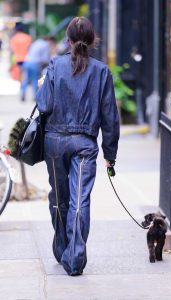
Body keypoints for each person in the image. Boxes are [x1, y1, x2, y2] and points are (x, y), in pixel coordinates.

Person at [36, 16, 120, 276]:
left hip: (54, 142)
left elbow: (44, 105)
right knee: (79, 200)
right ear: (92, 39)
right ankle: (74, 258)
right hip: (85, 144)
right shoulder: (101, 71)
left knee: (59, 199)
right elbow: (109, 116)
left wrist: (41, 86)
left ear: (67, 39)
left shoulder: (54, 65)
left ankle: (63, 248)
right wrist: (110, 153)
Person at [21, 36, 56, 101]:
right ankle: (36, 96)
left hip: (27, 62)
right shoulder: (45, 45)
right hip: (35, 64)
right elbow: (45, 58)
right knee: (35, 79)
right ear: (49, 40)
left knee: (26, 79)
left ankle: (22, 93)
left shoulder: (36, 42)